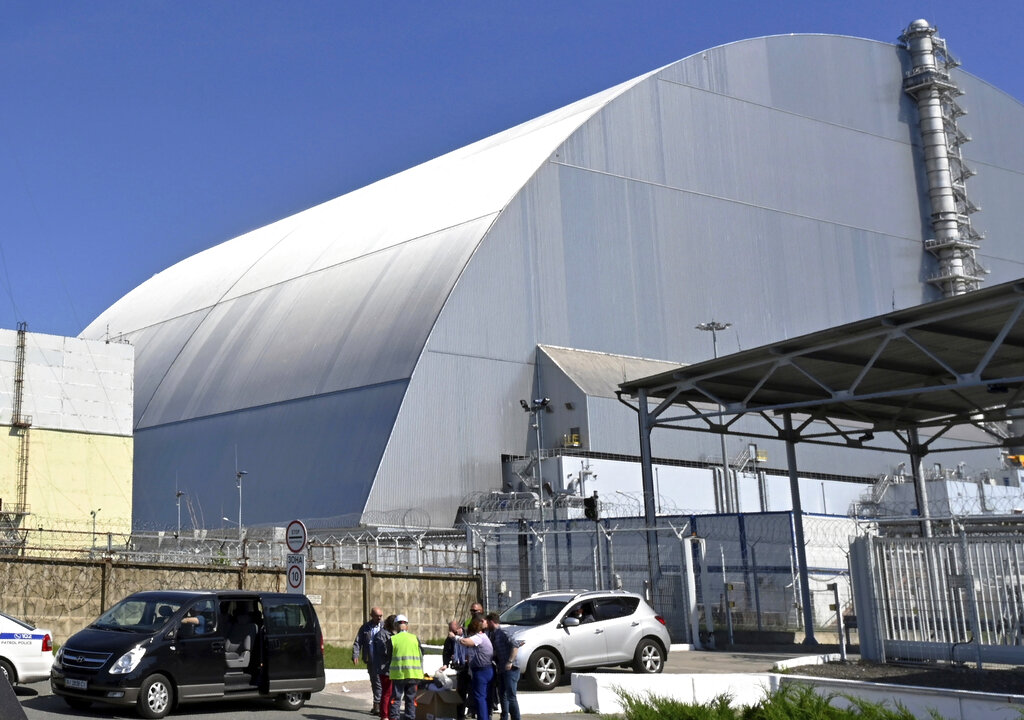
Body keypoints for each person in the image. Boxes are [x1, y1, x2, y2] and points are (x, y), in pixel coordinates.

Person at [388, 614, 424, 720]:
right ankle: (410, 718)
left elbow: (388, 656)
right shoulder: (415, 638)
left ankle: (394, 718)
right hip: (414, 675)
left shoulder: (393, 639)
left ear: (396, 626)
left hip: (398, 675)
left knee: (396, 699)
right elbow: (422, 654)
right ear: (407, 626)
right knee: (411, 699)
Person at [486, 612, 521, 720]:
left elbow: (515, 646)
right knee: (503, 696)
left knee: (511, 696)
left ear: (492, 622)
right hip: (501, 669)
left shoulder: (503, 632)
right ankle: (504, 717)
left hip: (511, 668)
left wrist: (510, 661)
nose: (487, 625)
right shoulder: (494, 634)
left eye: (487, 623)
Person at [459, 614, 493, 720]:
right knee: (485, 697)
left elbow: (465, 642)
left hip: (481, 671)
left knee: (480, 697)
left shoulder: (479, 637)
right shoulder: (485, 636)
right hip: (487, 669)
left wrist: (455, 637)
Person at [353, 606, 384, 714]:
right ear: (371, 616)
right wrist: (355, 655)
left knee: (380, 683)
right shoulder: (365, 628)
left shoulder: (385, 627)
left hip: (383, 661)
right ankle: (377, 705)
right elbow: (358, 642)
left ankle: (379, 705)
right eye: (377, 616)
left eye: (381, 616)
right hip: (371, 660)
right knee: (375, 682)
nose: (379, 618)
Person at [440, 620, 468, 720]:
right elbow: (446, 651)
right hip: (460, 668)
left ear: (460, 628)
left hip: (470, 667)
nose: (452, 633)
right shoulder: (450, 638)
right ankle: (460, 715)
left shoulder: (467, 635)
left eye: (454, 631)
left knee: (474, 693)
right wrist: (445, 664)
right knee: (461, 692)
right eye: (450, 631)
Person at [372, 615, 397, 720]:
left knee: (390, 693)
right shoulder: (382, 635)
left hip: (390, 668)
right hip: (385, 668)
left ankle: (388, 714)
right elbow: (384, 651)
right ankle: (385, 715)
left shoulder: (390, 634)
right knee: (387, 692)